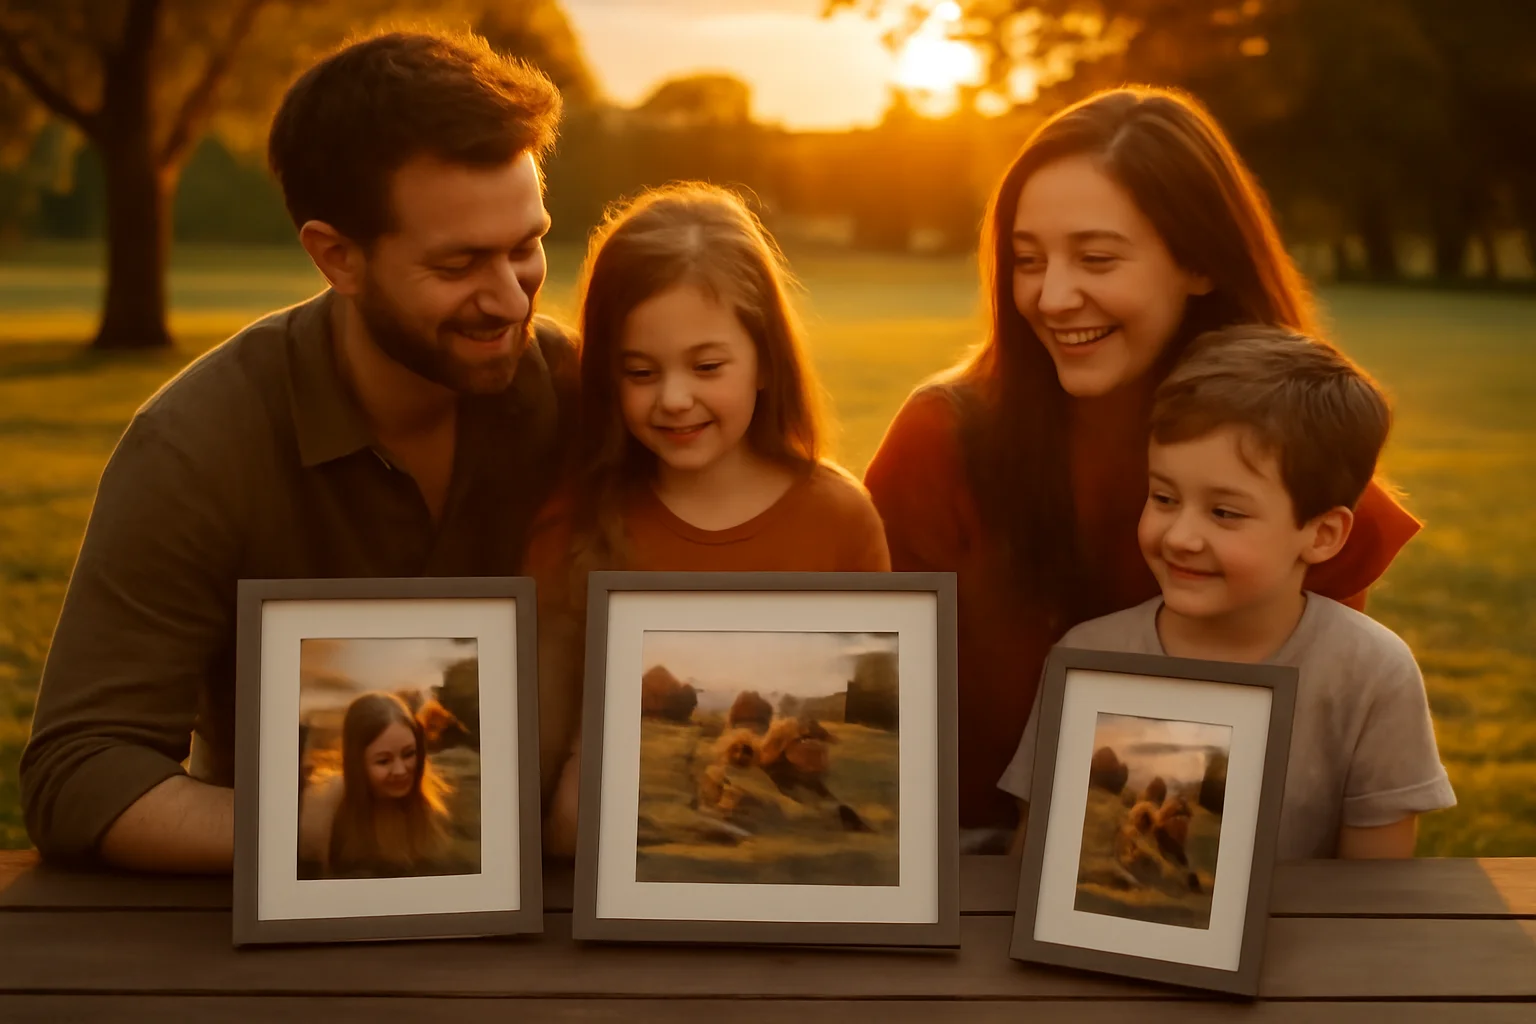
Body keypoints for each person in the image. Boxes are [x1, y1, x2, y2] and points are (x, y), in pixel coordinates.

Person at [20, 30, 576, 872]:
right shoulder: (197, 445)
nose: (508, 297)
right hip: (283, 934)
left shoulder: (587, 398)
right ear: (336, 256)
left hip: (559, 919)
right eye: (460, 262)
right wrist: (337, 829)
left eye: (526, 245)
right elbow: (80, 772)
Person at [862, 85, 1422, 846]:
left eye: (1096, 258)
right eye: (1027, 260)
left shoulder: (1294, 446)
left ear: (1198, 262)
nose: (1052, 296)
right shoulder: (944, 436)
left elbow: (1321, 710)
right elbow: (867, 702)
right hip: (971, 856)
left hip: (1218, 874)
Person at [522, 182, 891, 855]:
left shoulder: (839, 517)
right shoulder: (575, 522)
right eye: (639, 372)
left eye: (707, 365)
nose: (674, 399)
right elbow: (537, 774)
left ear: (764, 362)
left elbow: (869, 729)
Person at [997, 325, 1456, 859]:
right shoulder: (1088, 657)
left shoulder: (1371, 674)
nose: (1181, 537)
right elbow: (1032, 864)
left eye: (1224, 512)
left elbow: (1378, 895)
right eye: (1164, 497)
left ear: (1322, 534)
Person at [298, 691, 470, 879]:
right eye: (383, 761)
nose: (400, 770)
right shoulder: (324, 820)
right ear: (357, 763)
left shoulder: (433, 812)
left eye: (408, 754)